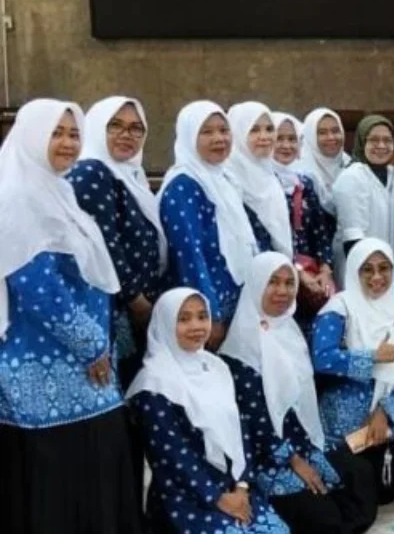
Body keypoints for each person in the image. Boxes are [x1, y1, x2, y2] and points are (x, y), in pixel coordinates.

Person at [0, 99, 140, 534]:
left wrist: (97, 347)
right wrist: (90, 347)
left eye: (73, 134)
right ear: (32, 138)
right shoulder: (17, 199)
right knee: (61, 466)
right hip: (46, 365)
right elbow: (37, 290)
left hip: (86, 361)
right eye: (56, 133)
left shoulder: (58, 193)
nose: (66, 143)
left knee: (95, 459)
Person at [129, 289, 293, 534]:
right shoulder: (153, 384)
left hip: (229, 483)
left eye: (202, 316)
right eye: (184, 319)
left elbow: (240, 431)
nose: (196, 326)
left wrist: (242, 487)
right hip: (181, 493)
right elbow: (173, 457)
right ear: (164, 324)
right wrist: (218, 498)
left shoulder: (216, 368)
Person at [220, 253, 378, 534]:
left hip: (303, 442)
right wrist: (293, 460)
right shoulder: (238, 352)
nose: (282, 291)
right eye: (273, 283)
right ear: (255, 286)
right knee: (323, 517)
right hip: (266, 456)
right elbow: (253, 423)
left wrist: (308, 453)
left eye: (288, 283)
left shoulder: (290, 332)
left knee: (361, 476)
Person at [69, 95, 165, 386]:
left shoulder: (130, 175)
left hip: (135, 307)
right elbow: (105, 245)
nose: (127, 135)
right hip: (116, 310)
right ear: (96, 128)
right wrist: (137, 301)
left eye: (136, 128)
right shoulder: (92, 171)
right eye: (115, 126)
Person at [311, 238, 394, 504]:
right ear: (354, 271)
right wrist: (371, 357)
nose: (377, 277)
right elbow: (321, 358)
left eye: (384, 268)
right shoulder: (339, 308)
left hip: (381, 426)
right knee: (355, 492)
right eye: (367, 269)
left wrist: (384, 413)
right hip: (341, 426)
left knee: (386, 493)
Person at [159, 100, 259, 349]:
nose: (219, 138)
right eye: (207, 132)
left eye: (224, 131)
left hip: (236, 299)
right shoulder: (183, 185)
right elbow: (189, 254)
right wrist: (208, 314)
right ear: (189, 136)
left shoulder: (225, 178)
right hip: (206, 309)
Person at [271, 111, 336, 327]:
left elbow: (320, 232)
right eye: (279, 138)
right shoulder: (260, 184)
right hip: (278, 279)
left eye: (292, 139)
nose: (286, 145)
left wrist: (325, 271)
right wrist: (297, 274)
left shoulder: (305, 183)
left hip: (312, 278)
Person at [333, 114, 394, 276]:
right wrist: (368, 272)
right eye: (374, 140)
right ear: (362, 142)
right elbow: (353, 236)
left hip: (388, 267)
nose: (381, 145)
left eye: (387, 140)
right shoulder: (352, 177)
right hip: (362, 269)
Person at [227, 101, 291, 258]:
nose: (264, 137)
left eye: (269, 129)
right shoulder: (228, 177)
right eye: (254, 130)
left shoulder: (270, 176)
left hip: (278, 266)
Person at [296, 107, 351, 214]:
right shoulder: (299, 170)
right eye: (322, 133)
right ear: (310, 136)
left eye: (335, 131)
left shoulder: (349, 164)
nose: (331, 137)